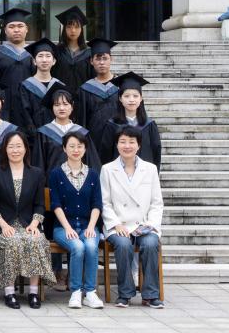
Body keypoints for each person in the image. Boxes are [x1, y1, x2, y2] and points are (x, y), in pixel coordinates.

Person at [0, 131, 55, 309]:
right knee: (13, 241)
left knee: (36, 240)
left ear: (25, 149)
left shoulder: (36, 173)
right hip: (2, 226)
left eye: (19, 146)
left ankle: (33, 292)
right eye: (11, 146)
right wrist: (3, 225)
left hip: (28, 224)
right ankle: (9, 292)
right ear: (5, 149)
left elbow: (39, 205)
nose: (15, 150)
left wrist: (34, 224)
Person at [100, 126, 165, 309]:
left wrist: (150, 225)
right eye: (122, 141)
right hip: (118, 225)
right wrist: (116, 224)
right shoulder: (107, 169)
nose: (127, 146)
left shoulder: (150, 169)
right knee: (123, 244)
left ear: (139, 145)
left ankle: (151, 295)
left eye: (131, 142)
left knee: (150, 244)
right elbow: (105, 203)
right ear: (117, 144)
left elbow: (156, 202)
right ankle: (125, 294)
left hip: (144, 224)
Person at [48, 131, 105, 309]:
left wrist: (91, 227)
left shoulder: (93, 174)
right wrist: (67, 228)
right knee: (78, 247)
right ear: (64, 148)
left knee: (91, 246)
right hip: (63, 227)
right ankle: (75, 292)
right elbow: (56, 204)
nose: (76, 150)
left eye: (80, 146)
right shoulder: (56, 174)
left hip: (88, 225)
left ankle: (90, 292)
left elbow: (97, 203)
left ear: (85, 149)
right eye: (71, 146)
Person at [99, 72, 163, 172]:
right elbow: (105, 154)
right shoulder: (112, 125)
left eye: (135, 96)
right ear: (120, 98)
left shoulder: (149, 125)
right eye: (127, 96)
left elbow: (156, 153)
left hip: (144, 175)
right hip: (117, 175)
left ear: (141, 98)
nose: (131, 100)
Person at [32, 86, 100, 173]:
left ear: (72, 106)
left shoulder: (82, 133)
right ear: (52, 107)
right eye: (57, 105)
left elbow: (92, 163)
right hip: (52, 181)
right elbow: (39, 164)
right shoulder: (43, 133)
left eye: (65, 104)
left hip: (79, 180)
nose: (61, 108)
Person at [0, 8, 34, 120]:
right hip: (3, 110)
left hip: (29, 108)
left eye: (20, 26)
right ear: (5, 30)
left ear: (26, 29)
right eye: (11, 27)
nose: (16, 30)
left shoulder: (34, 54)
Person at [15, 38, 64, 138]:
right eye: (40, 56)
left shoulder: (60, 86)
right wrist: (35, 136)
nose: (44, 60)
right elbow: (23, 116)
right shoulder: (25, 86)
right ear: (34, 61)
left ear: (54, 61)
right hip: (33, 138)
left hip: (57, 137)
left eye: (48, 56)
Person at [76, 38, 120, 150]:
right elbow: (81, 120)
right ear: (91, 61)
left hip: (119, 139)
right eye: (98, 59)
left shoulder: (121, 86)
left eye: (105, 58)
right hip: (93, 141)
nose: (101, 62)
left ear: (111, 59)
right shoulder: (85, 89)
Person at [53, 6, 93, 92]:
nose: (73, 30)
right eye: (69, 26)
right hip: (61, 97)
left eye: (77, 26)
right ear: (64, 29)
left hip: (83, 96)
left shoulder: (89, 53)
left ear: (81, 29)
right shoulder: (57, 51)